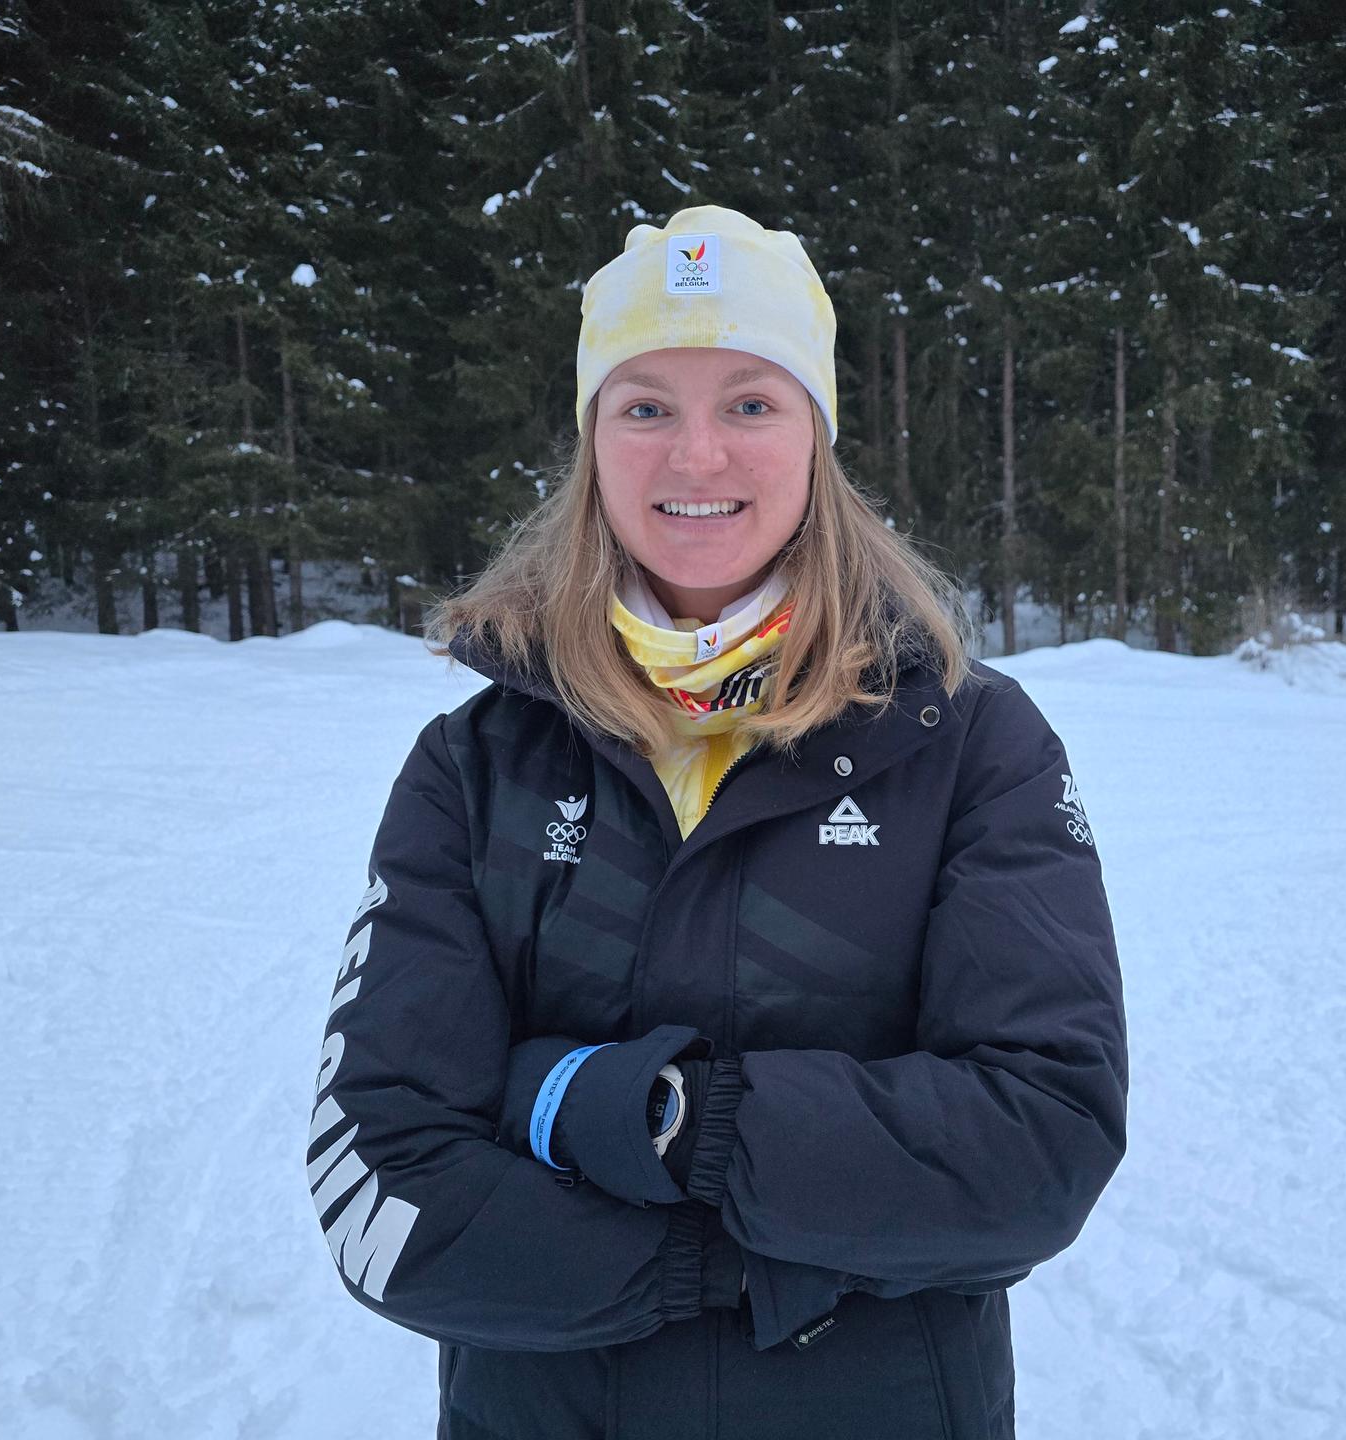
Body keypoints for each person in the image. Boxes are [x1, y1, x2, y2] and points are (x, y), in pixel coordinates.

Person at [305, 204, 1128, 1440]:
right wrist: (729, 1270)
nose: (697, 459)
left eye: (751, 402)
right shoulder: (476, 763)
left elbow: (1040, 1142)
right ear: (592, 439)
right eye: (645, 406)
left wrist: (657, 1118)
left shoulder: (967, 743)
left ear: (817, 435)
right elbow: (384, 1180)